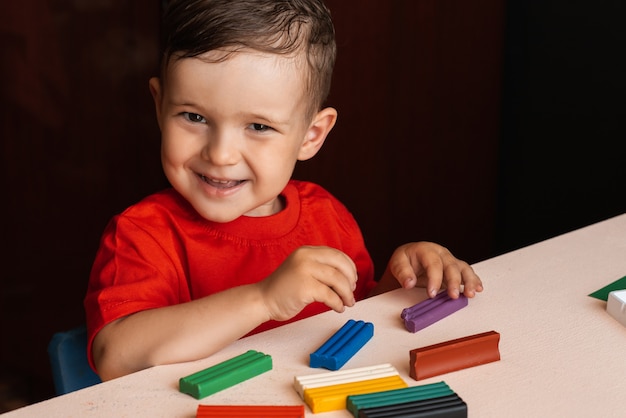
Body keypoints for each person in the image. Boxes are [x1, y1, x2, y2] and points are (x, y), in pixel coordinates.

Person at [84, 0, 483, 381]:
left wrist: (402, 282)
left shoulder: (328, 218)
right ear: (160, 105)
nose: (220, 154)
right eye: (193, 116)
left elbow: (354, 320)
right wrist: (263, 300)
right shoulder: (142, 234)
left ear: (311, 135)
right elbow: (113, 356)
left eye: (258, 126)